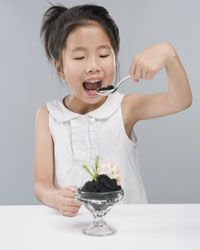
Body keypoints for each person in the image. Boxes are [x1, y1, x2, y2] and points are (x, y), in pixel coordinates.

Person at [34, 4, 192, 217]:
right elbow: (41, 184)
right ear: (60, 68)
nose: (93, 66)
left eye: (103, 55)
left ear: (115, 57)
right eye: (80, 57)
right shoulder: (48, 116)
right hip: (75, 230)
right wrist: (55, 198)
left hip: (130, 229)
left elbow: (180, 100)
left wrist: (168, 54)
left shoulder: (125, 108)